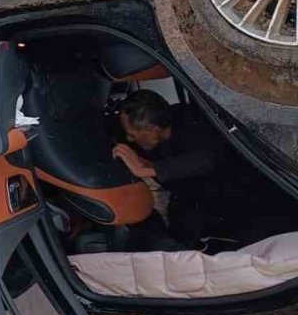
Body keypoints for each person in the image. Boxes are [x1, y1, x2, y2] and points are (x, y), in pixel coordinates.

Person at [111, 89, 291, 248]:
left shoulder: (195, 122)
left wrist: (150, 170)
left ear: (152, 130)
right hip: (205, 203)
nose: (130, 140)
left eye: (132, 135)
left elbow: (207, 159)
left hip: (249, 202)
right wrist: (148, 165)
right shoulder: (161, 134)